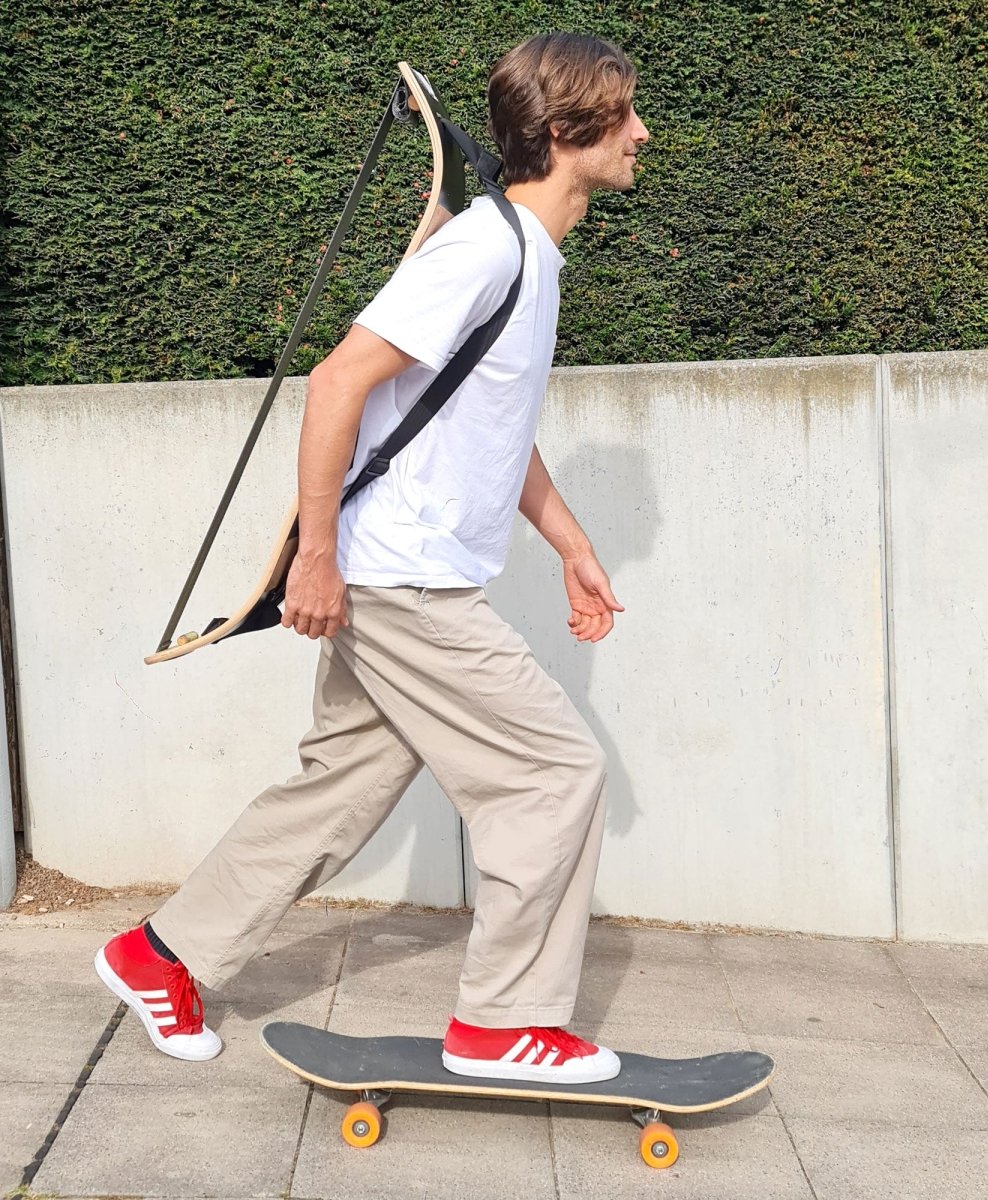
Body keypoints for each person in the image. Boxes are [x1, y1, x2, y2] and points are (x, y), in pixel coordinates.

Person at [95, 32, 649, 1085]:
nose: (642, 133)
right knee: (553, 774)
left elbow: (493, 425)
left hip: (403, 569)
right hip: (404, 578)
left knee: (341, 788)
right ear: (567, 129)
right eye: (623, 114)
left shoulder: (528, 258)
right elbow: (339, 380)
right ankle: (505, 1024)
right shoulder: (484, 250)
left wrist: (571, 545)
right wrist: (316, 558)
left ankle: (160, 956)